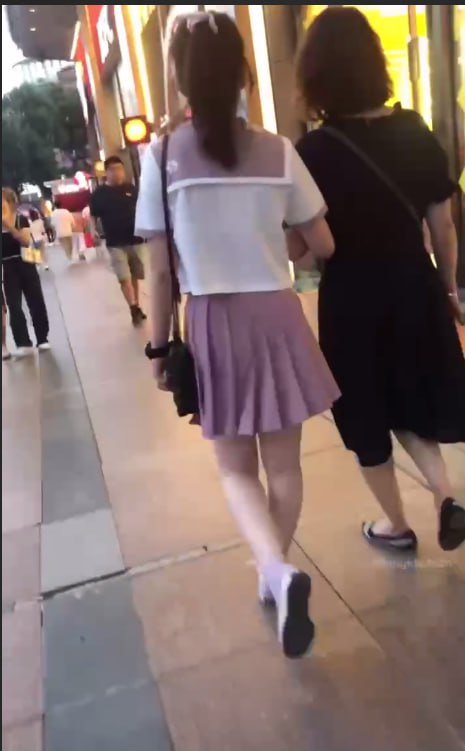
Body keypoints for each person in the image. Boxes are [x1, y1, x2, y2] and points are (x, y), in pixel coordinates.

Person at [135, 11, 340, 658]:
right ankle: (275, 571)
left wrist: (157, 346)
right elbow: (321, 242)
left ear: (180, 79)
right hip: (276, 313)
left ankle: (276, 571)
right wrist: (277, 248)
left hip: (212, 320)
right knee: (283, 466)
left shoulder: (162, 157)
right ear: (245, 74)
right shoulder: (279, 151)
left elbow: (158, 270)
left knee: (234, 469)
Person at [295, 7, 465, 553]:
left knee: (366, 410)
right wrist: (449, 288)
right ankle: (446, 496)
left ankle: (396, 524)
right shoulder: (412, 129)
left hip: (351, 299)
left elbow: (304, 250)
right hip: (415, 286)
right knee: (411, 395)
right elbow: (443, 224)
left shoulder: (313, 151)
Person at [89, 156, 147, 326]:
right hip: (115, 242)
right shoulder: (99, 194)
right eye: (113, 170)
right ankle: (133, 307)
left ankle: (136, 306)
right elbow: (93, 215)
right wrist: (93, 230)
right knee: (124, 277)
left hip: (135, 239)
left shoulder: (131, 189)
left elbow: (142, 208)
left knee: (134, 275)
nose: (117, 173)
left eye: (120, 169)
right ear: (106, 172)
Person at [2, 188, 50, 355]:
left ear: (10, 203)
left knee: (35, 300)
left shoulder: (20, 219)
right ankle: (22, 342)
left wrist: (9, 227)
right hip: (7, 267)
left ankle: (42, 338)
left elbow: (25, 241)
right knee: (14, 305)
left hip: (25, 262)